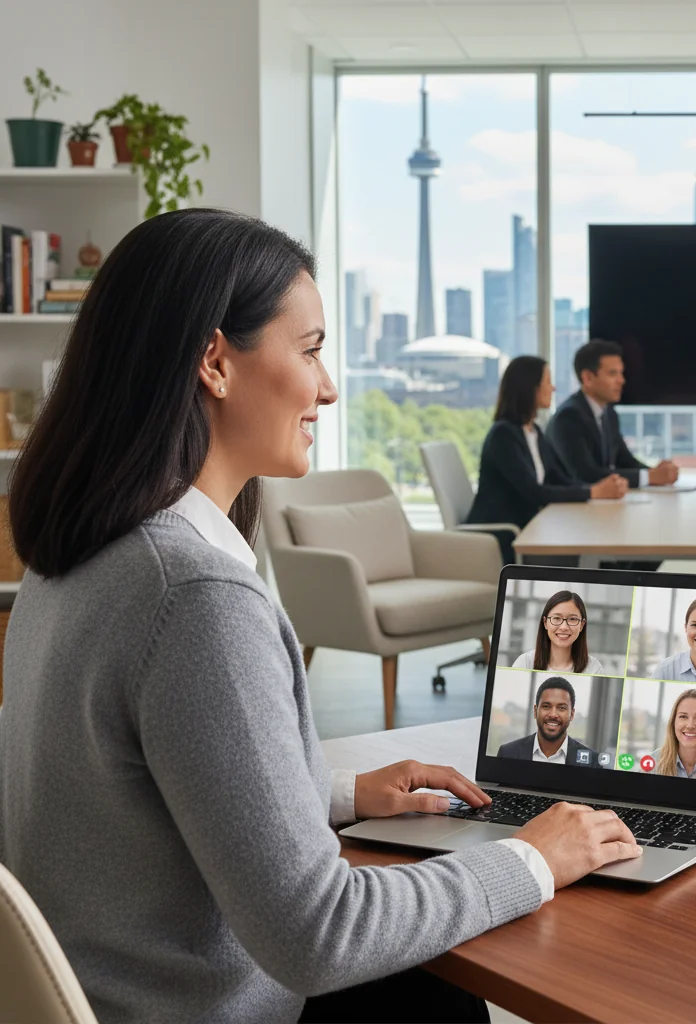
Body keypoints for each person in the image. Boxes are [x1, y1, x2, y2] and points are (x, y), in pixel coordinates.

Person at [0, 210, 641, 1024]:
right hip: (202, 1008)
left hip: (113, 993)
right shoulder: (194, 597)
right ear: (214, 362)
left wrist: (330, 793)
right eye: (309, 349)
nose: (329, 385)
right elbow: (320, 935)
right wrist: (533, 859)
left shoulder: (76, 557)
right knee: (451, 978)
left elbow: (120, 798)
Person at [466, 355, 627, 565]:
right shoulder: (503, 435)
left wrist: (599, 489)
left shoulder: (533, 432)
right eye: (547, 382)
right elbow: (533, 491)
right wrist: (592, 492)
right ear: (530, 388)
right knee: (580, 551)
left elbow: (557, 478)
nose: (553, 389)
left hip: (531, 527)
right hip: (507, 536)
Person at [547, 339, 678, 489]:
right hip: (565, 510)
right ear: (588, 378)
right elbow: (586, 475)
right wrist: (648, 477)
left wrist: (656, 472)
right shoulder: (569, 417)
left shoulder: (609, 413)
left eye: (621, 373)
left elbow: (625, 460)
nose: (621, 381)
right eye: (612, 374)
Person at [497, 678, 602, 767]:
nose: (553, 714)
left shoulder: (593, 761)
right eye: (546, 706)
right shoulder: (507, 753)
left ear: (572, 714)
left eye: (561, 708)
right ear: (535, 711)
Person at [511, 590, 604, 674]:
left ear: (582, 625)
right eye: (556, 618)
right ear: (545, 622)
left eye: (572, 619)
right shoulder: (525, 663)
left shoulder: (594, 669)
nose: (564, 627)